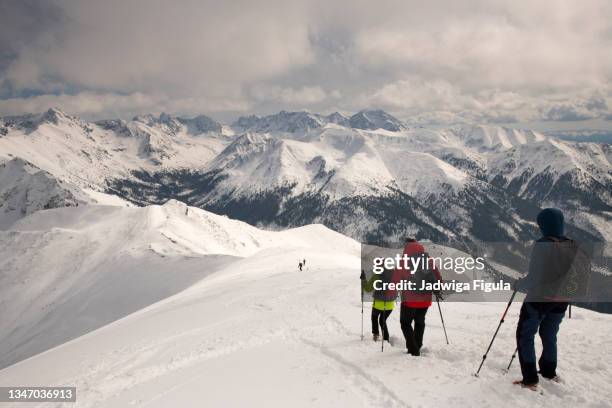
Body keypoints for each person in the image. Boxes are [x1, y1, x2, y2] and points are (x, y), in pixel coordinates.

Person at [513, 208, 573, 390]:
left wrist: (518, 284)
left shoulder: (543, 244)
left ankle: (530, 379)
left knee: (525, 335)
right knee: (549, 334)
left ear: (544, 225)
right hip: (562, 299)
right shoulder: (571, 244)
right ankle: (548, 371)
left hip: (540, 299)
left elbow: (534, 277)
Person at [393, 238, 443, 356]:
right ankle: (418, 345)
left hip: (409, 301)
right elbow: (439, 279)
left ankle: (413, 349)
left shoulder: (403, 262)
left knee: (405, 323)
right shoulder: (429, 260)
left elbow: (394, 280)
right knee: (420, 322)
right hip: (425, 300)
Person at [362, 268, 396, 342]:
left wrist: (363, 279)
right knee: (382, 320)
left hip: (378, 304)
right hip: (390, 305)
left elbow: (368, 289)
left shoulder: (377, 276)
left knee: (374, 318)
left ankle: (376, 335)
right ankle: (386, 338)